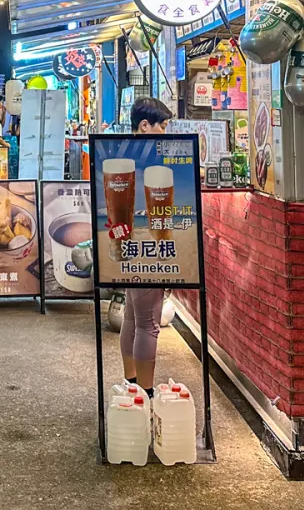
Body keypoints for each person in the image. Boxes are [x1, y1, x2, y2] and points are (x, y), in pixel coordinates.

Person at [119, 97, 174, 400]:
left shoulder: (123, 156)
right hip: (148, 244)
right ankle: (146, 394)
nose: (166, 133)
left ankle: (131, 384)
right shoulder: (151, 161)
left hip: (128, 243)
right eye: (163, 126)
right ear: (145, 126)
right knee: (148, 322)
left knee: (132, 315)